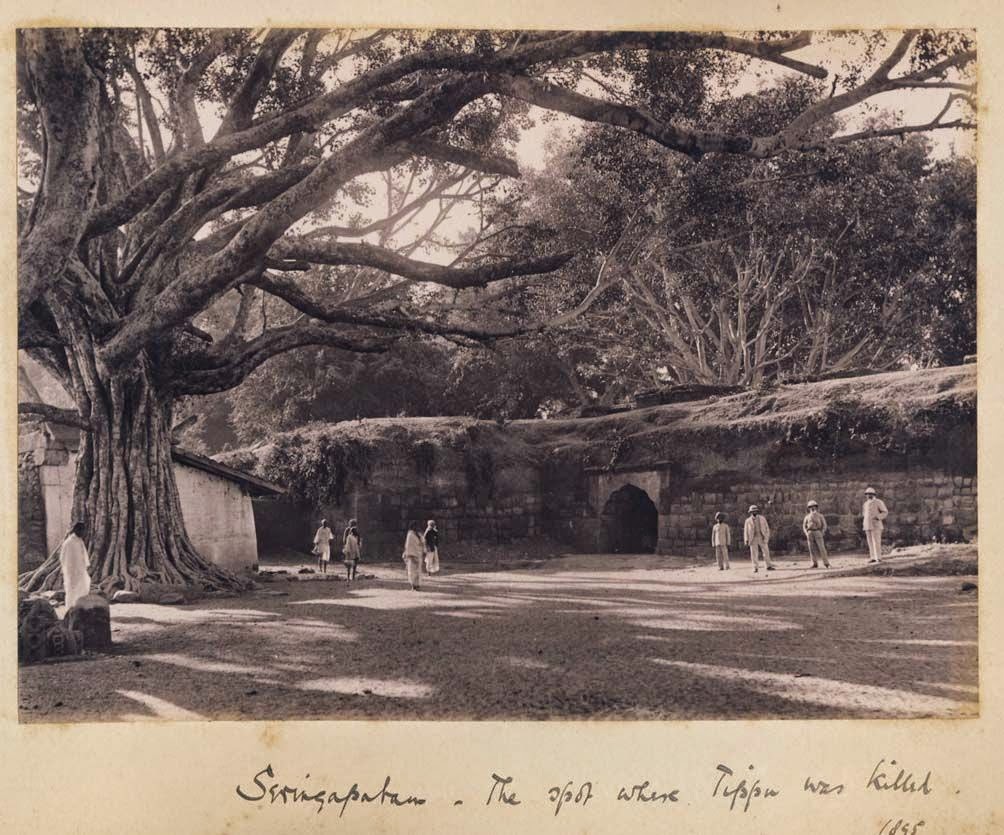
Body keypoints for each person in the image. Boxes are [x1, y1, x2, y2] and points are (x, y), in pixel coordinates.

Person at [59, 521, 91, 609]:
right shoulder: (69, 543)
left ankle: (80, 608)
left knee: (83, 588)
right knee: (72, 591)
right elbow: (64, 558)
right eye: (83, 530)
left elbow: (82, 556)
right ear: (77, 530)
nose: (84, 533)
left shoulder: (79, 541)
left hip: (80, 570)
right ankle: (70, 609)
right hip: (72, 572)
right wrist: (70, 571)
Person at [743, 505, 775, 573]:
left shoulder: (762, 518)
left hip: (761, 536)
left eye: (755, 511)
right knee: (754, 553)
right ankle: (755, 567)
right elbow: (746, 531)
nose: (754, 512)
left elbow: (767, 527)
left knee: (766, 552)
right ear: (750, 512)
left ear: (757, 511)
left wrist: (766, 536)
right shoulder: (748, 521)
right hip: (753, 538)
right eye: (752, 511)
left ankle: (768, 565)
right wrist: (746, 539)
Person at [862, 486, 889, 563]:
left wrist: (878, 517)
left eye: (870, 494)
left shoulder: (878, 502)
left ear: (874, 494)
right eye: (867, 494)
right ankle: (872, 557)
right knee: (870, 541)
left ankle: (878, 557)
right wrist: (865, 522)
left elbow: (885, 512)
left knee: (876, 541)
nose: (868, 495)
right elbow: (864, 514)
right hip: (867, 525)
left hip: (876, 525)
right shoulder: (865, 504)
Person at [803, 500, 831, 568]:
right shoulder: (807, 517)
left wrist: (822, 532)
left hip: (817, 532)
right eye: (810, 507)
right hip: (810, 532)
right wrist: (806, 533)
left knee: (822, 548)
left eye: (814, 507)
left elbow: (824, 525)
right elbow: (804, 526)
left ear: (816, 507)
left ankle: (826, 563)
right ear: (808, 508)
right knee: (811, 549)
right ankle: (814, 563)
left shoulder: (820, 516)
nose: (812, 508)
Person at [402, 521, 425, 591]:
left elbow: (422, 543)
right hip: (414, 555)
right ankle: (414, 585)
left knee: (416, 571)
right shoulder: (412, 534)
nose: (417, 527)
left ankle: (416, 585)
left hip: (417, 554)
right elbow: (409, 545)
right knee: (413, 571)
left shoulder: (417, 534)